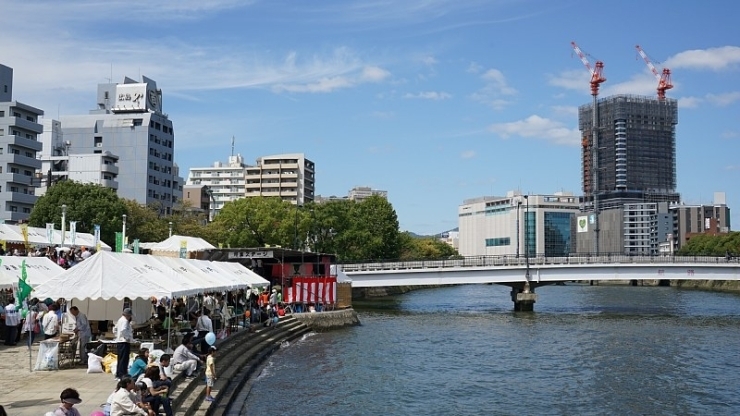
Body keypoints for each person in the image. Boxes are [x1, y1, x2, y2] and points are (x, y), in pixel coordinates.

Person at [115, 308, 134, 381]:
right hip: (124, 342)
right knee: (124, 359)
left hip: (120, 341)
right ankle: (122, 374)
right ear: (128, 315)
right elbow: (123, 330)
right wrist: (127, 338)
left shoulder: (120, 320)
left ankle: (119, 374)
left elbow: (115, 329)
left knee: (120, 358)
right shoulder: (125, 321)